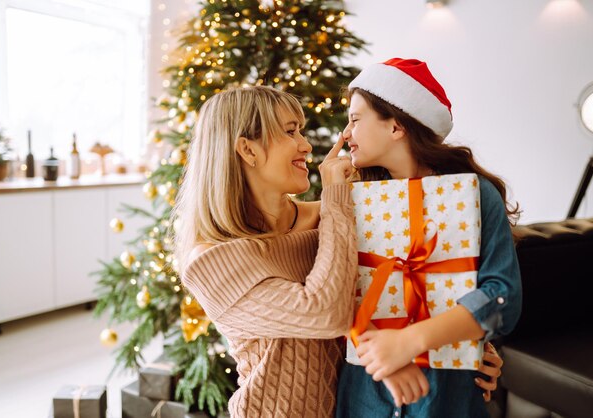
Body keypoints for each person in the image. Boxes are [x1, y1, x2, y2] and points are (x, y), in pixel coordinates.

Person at [174, 85, 505, 418]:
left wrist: (459, 352)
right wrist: (335, 195)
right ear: (248, 151)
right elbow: (326, 311)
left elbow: (387, 293)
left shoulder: (335, 218)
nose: (306, 145)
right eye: (291, 132)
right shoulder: (210, 261)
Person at [335, 58, 522, 418]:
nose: (345, 133)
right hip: (365, 395)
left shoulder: (477, 195)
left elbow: (503, 298)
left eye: (355, 119)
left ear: (396, 126)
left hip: (448, 397)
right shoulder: (349, 199)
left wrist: (412, 341)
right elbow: (330, 292)